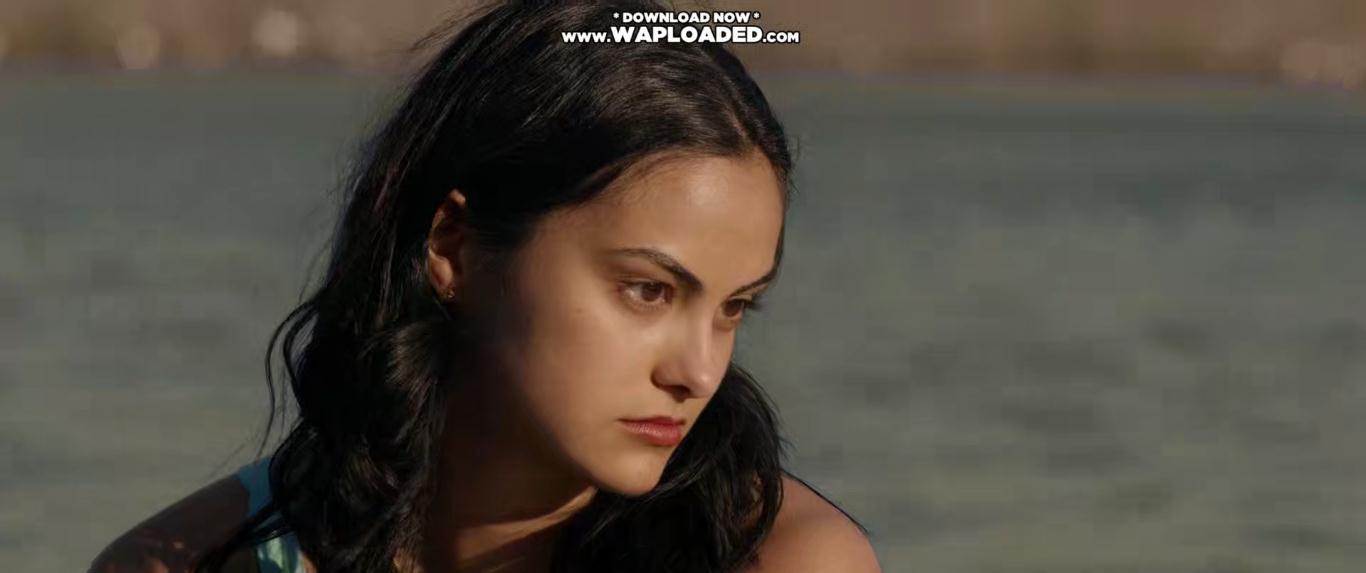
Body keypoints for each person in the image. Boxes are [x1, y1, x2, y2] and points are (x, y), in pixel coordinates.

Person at [90, 1, 881, 571]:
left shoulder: (784, 560)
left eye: (735, 306)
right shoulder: (190, 560)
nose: (699, 372)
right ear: (454, 246)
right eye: (647, 290)